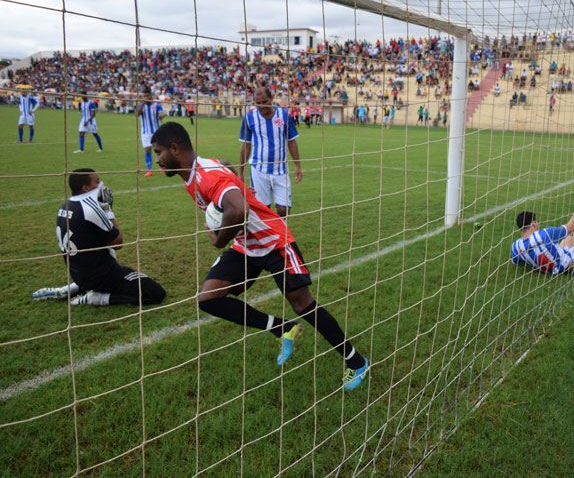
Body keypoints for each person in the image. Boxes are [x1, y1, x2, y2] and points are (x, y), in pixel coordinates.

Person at [150, 122, 369, 391]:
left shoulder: (207, 176)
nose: (157, 160)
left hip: (274, 240)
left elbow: (238, 210)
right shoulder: (195, 174)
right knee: (209, 298)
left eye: (158, 152)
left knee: (302, 304)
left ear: (175, 148)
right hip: (246, 246)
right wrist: (231, 176)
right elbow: (226, 167)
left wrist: (218, 240)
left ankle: (356, 362)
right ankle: (281, 328)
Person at [32, 168, 166, 305]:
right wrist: (108, 210)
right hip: (101, 276)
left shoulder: (64, 205)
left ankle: (73, 287)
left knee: (99, 245)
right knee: (155, 292)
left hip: (78, 274)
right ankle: (97, 298)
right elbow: (118, 242)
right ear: (85, 188)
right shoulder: (89, 208)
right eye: (97, 181)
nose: (101, 184)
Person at [238, 87, 302, 218]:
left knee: (284, 209)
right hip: (259, 169)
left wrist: (297, 166)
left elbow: (291, 141)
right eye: (258, 103)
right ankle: (271, 235)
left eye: (264, 101)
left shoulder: (284, 115)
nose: (261, 106)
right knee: (263, 209)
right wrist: (241, 171)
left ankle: (275, 230)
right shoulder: (249, 118)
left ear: (272, 98)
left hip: (281, 169)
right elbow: (246, 145)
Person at [135, 87, 164, 177]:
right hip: (145, 132)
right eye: (144, 96)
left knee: (159, 150)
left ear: (151, 96)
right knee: (148, 150)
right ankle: (149, 170)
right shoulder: (140, 105)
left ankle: (162, 167)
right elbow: (136, 114)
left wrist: (161, 116)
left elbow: (161, 114)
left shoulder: (157, 105)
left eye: (147, 95)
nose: (146, 97)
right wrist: (143, 103)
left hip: (156, 131)